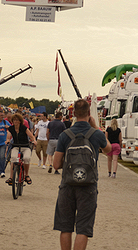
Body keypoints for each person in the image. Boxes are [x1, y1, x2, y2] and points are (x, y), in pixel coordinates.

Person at [53, 99, 111, 250]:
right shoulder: (96, 134)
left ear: (73, 114)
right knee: (83, 228)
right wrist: (96, 127)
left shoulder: (65, 135)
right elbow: (108, 149)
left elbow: (56, 164)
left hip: (67, 184)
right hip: (88, 185)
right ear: (89, 113)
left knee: (65, 227)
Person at [5, 113, 37, 186]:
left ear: (20, 121)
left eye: (17, 120)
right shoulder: (11, 128)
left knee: (26, 158)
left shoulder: (24, 128)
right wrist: (7, 140)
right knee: (13, 158)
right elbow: (8, 136)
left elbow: (31, 136)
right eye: (14, 120)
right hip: (15, 146)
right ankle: (11, 177)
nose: (15, 121)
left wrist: (34, 140)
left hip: (25, 146)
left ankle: (26, 175)